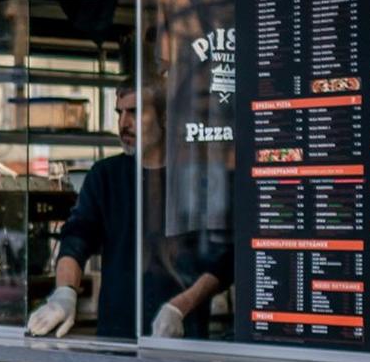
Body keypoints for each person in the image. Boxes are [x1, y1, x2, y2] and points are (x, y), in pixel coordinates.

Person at [27, 82, 231, 340]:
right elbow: (76, 238)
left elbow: (224, 260)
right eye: (119, 113)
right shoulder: (105, 175)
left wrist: (179, 307)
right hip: (116, 337)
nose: (123, 123)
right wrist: (64, 293)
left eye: (134, 112)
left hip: (181, 337)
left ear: (166, 117)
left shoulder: (197, 178)